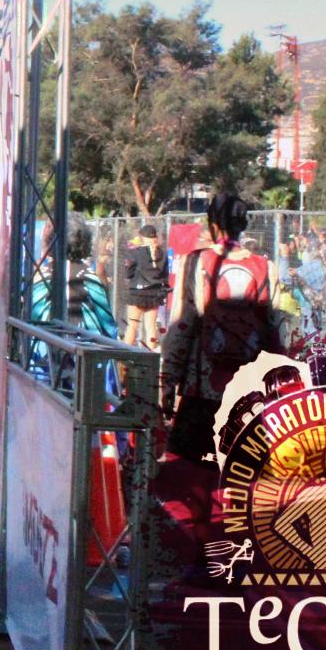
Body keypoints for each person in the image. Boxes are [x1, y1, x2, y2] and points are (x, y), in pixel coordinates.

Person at [158, 192, 279, 461]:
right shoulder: (266, 267)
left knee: (187, 473)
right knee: (241, 474)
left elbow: (182, 325)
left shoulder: (195, 262)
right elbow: (275, 331)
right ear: (243, 225)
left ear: (212, 224)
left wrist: (167, 381)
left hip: (200, 389)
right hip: (248, 394)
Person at [121, 225, 169, 349]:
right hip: (155, 293)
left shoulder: (135, 253)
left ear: (143, 237)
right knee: (151, 327)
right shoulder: (162, 254)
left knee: (132, 325)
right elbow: (165, 275)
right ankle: (150, 354)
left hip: (138, 293)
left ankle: (124, 355)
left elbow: (128, 273)